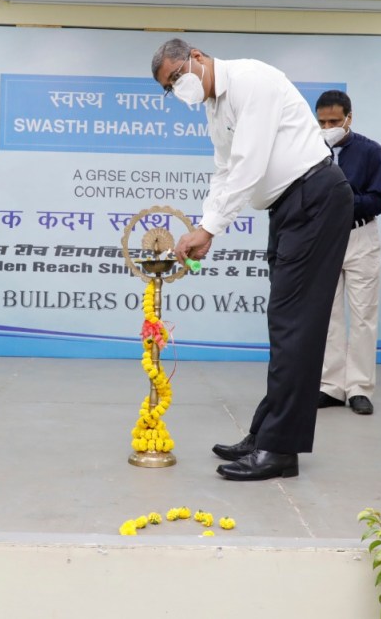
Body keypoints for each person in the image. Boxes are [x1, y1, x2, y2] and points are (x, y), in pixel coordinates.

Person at [151, 38, 354, 481]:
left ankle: (281, 450)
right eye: (169, 87)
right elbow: (224, 171)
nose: (177, 89)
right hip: (289, 207)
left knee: (294, 325)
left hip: (316, 198)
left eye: (176, 77)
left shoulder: (251, 80)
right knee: (285, 324)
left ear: (197, 59)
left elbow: (249, 163)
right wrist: (206, 225)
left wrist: (210, 228)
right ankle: (267, 433)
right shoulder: (214, 107)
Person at [314, 90, 381, 416]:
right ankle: (331, 386)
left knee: (362, 316)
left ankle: (359, 387)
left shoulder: (371, 151)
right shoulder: (309, 150)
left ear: (349, 118)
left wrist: (341, 202)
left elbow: (379, 197)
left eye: (334, 121)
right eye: (322, 121)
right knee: (327, 315)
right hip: (323, 240)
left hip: (361, 235)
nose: (328, 126)